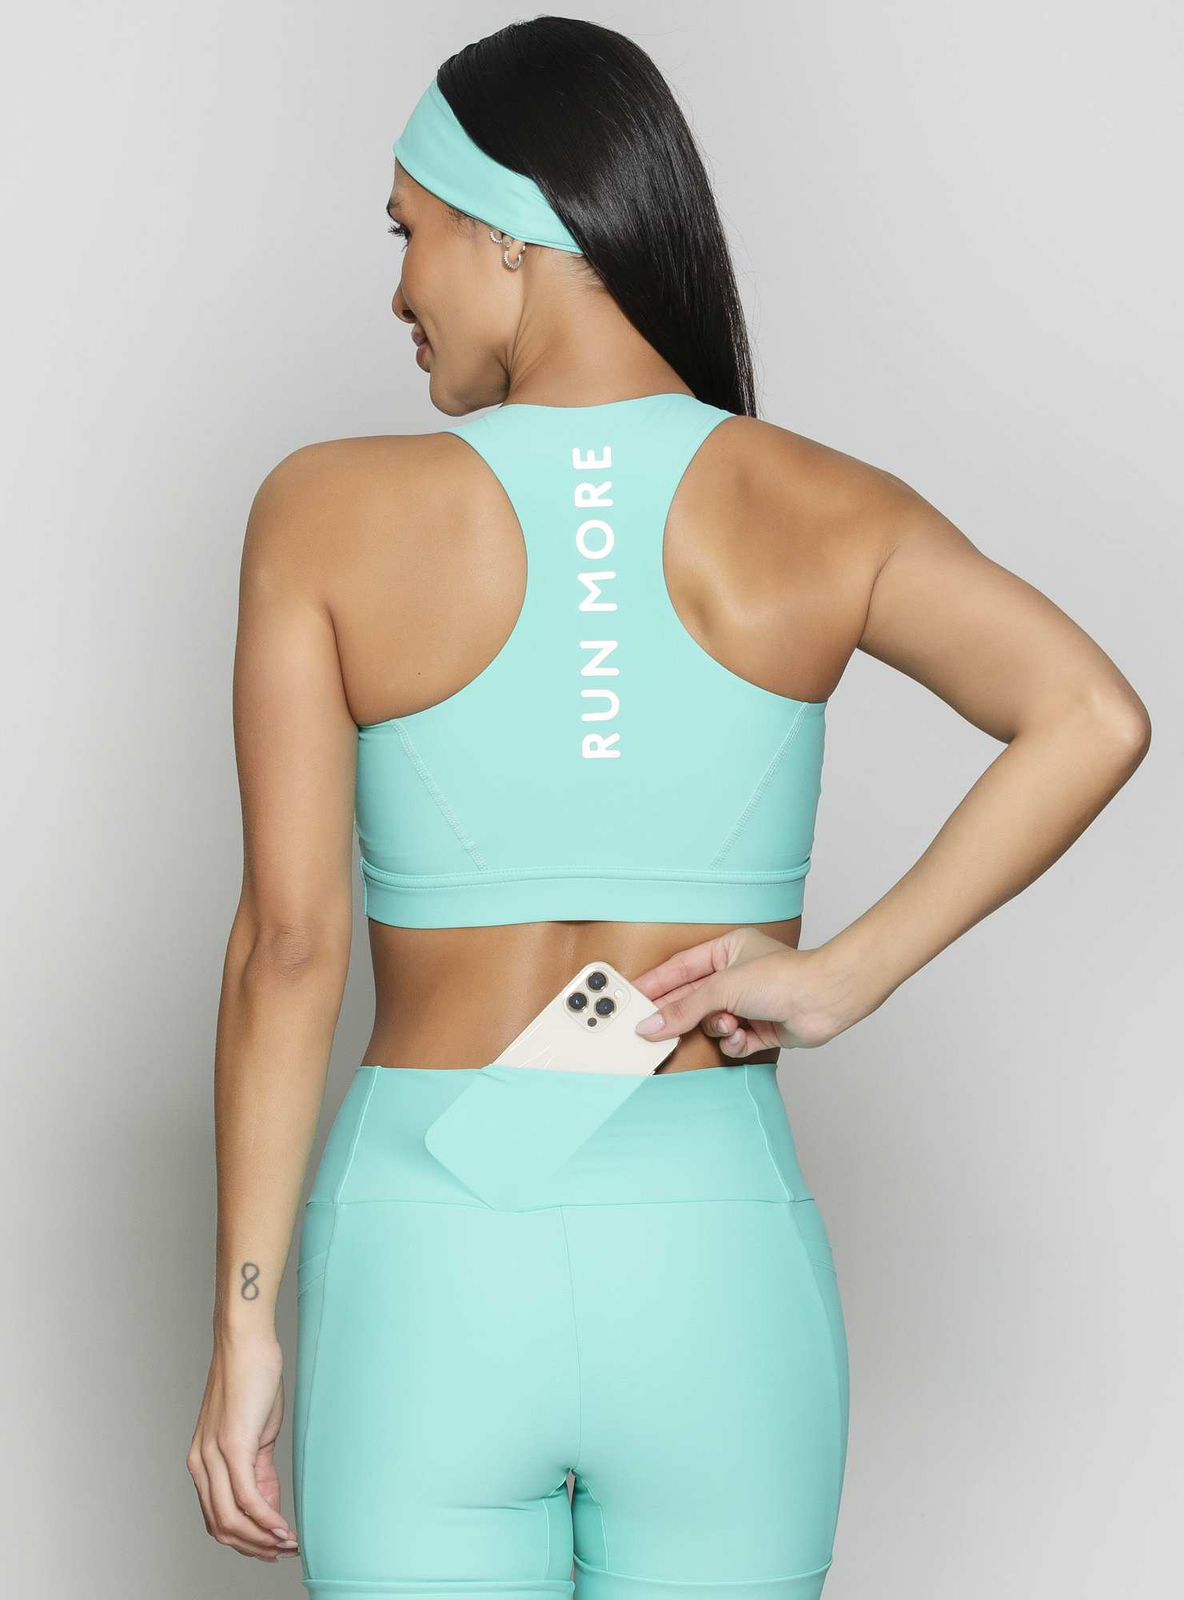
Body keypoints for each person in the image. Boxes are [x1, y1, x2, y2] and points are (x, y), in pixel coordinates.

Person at [186, 16, 1151, 1600]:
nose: (399, 291)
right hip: (713, 1250)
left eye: (410, 233)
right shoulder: (818, 503)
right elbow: (1095, 715)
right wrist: (843, 976)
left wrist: (244, 1326)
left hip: (432, 1254)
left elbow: (287, 950)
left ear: (510, 228)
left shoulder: (325, 510)